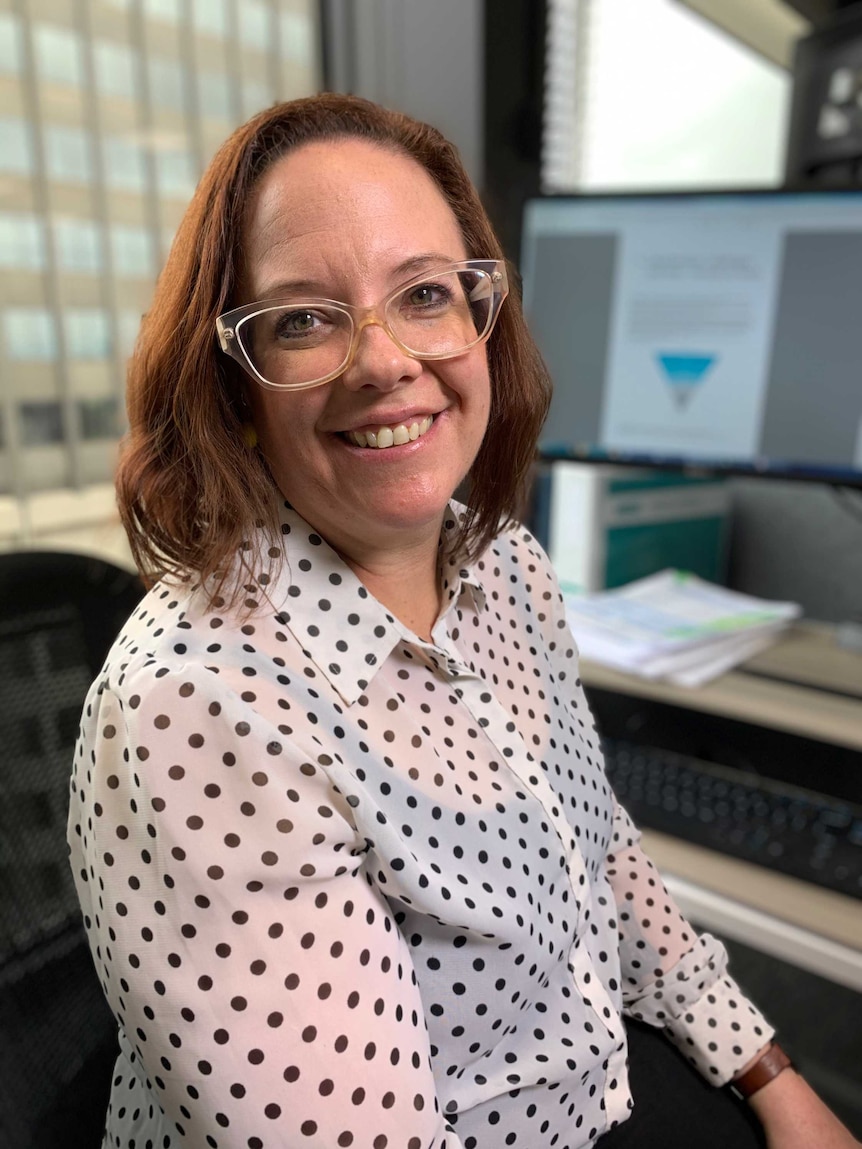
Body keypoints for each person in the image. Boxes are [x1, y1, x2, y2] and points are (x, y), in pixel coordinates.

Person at [68, 92, 859, 1149]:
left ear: (481, 316)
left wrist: (769, 1074)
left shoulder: (502, 565)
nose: (385, 360)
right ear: (231, 388)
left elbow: (602, 853)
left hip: (596, 1082)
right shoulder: (198, 708)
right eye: (302, 319)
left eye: (425, 294)